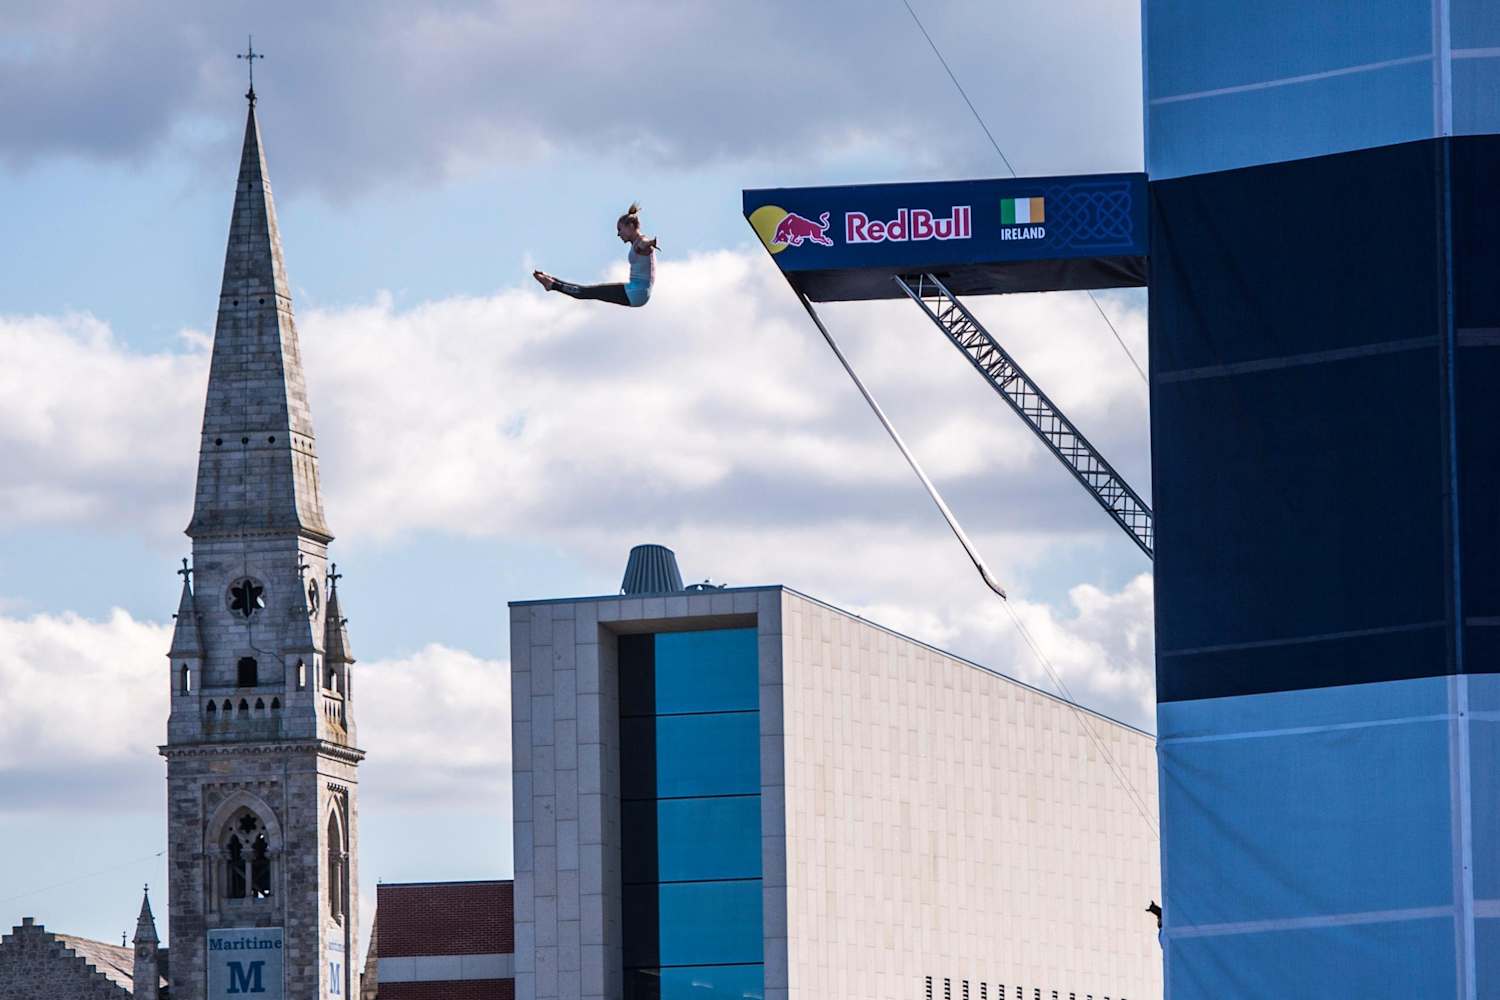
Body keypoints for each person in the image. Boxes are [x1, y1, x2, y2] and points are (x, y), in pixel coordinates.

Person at [533, 202, 658, 307]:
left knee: (586, 292)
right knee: (588, 291)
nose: (618, 234)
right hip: (637, 293)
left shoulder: (640, 242)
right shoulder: (636, 243)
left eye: (620, 229)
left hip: (636, 293)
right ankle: (552, 281)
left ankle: (552, 284)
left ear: (630, 226)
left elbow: (645, 244)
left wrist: (650, 243)